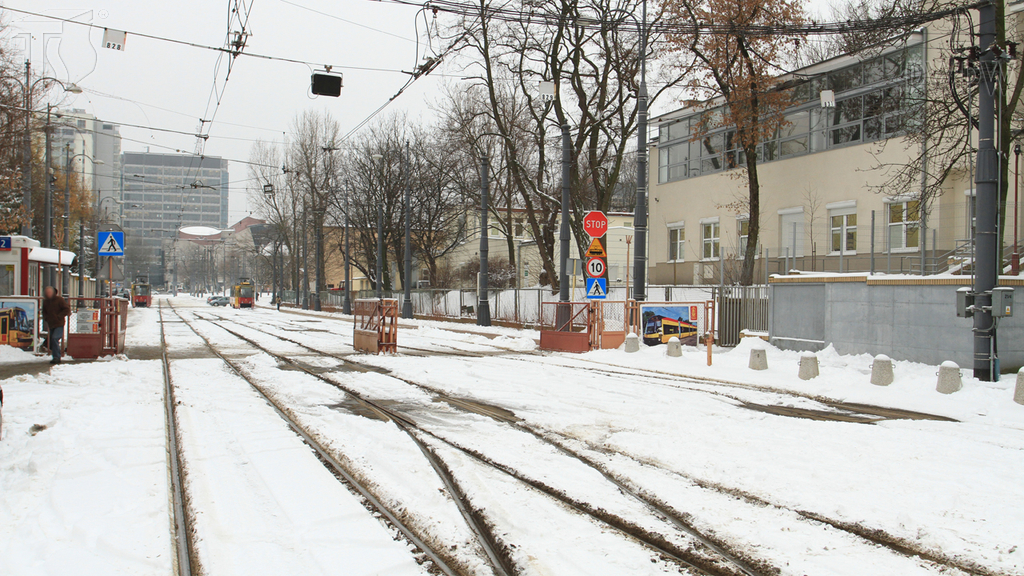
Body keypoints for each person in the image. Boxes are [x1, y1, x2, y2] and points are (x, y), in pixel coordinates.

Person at [42, 286, 71, 365]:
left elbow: (67, 309)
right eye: (47, 292)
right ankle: (55, 354)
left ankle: (56, 357)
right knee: (52, 340)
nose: (48, 294)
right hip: (51, 323)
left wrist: (59, 316)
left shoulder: (59, 300)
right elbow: (44, 311)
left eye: (49, 292)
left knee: (55, 338)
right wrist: (46, 318)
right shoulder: (46, 301)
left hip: (59, 323)